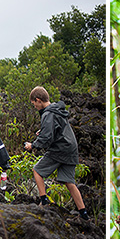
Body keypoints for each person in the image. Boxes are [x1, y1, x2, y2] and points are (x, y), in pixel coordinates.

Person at [23, 86, 89, 219]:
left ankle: (44, 201)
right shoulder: (57, 110)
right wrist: (44, 132)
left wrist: (33, 145)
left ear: (38, 100)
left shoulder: (48, 114)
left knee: (37, 171)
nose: (34, 107)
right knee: (69, 182)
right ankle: (84, 214)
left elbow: (47, 138)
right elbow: (57, 129)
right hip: (71, 148)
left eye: (34, 104)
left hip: (60, 149)